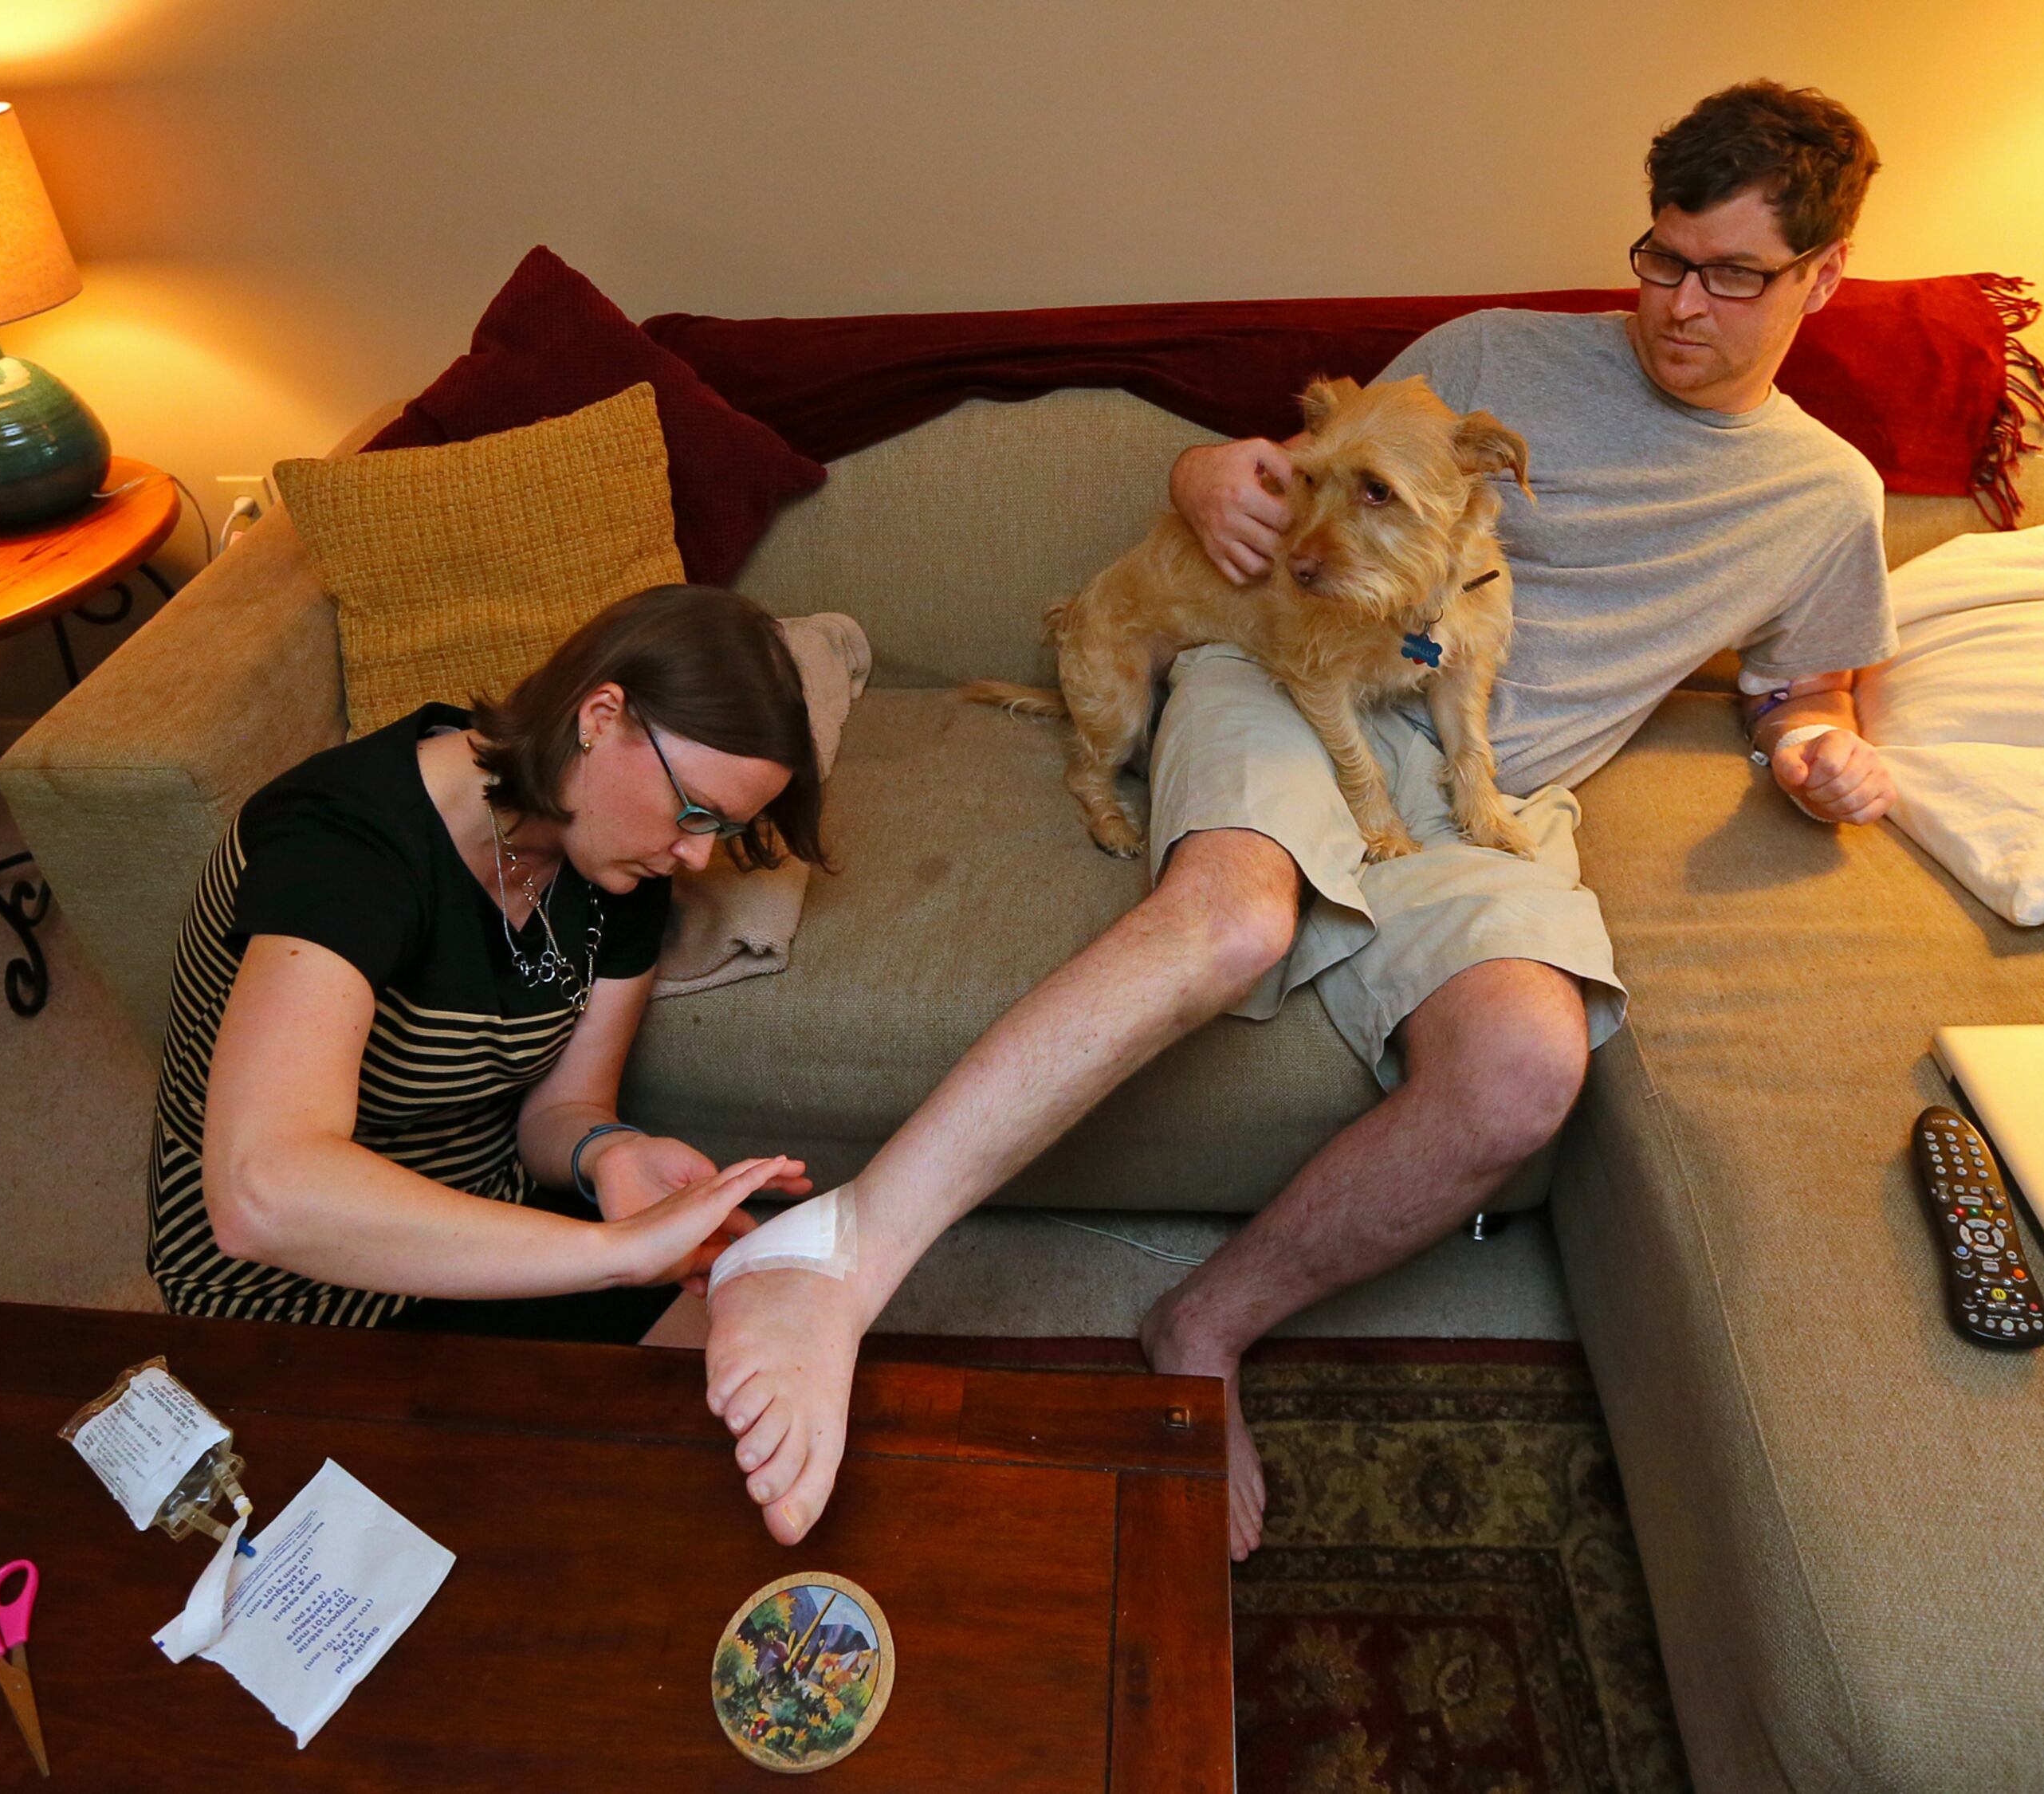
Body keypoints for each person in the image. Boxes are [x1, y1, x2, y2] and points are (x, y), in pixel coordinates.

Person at [702, 80, 1904, 1556]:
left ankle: (1203, 1322)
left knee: (1529, 1072)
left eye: (1732, 276)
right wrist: (1202, 471)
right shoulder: (1486, 357)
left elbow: (1808, 692)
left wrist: (1823, 750)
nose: (1677, 307)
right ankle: (841, 1254)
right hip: (1293, 678)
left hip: (1492, 787)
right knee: (1233, 915)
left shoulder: (1825, 497)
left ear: (1826, 276)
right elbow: (1290, 500)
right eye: (1660, 257)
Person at [151, 583, 827, 1345]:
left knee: (766, 1343)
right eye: (695, 810)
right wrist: (615, 1253)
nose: (698, 853)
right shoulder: (345, 846)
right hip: (293, 1278)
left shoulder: (617, 855)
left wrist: (611, 1153)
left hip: (490, 1216)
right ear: (600, 718)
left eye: (725, 827)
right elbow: (260, 1196)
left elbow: (559, 1112)